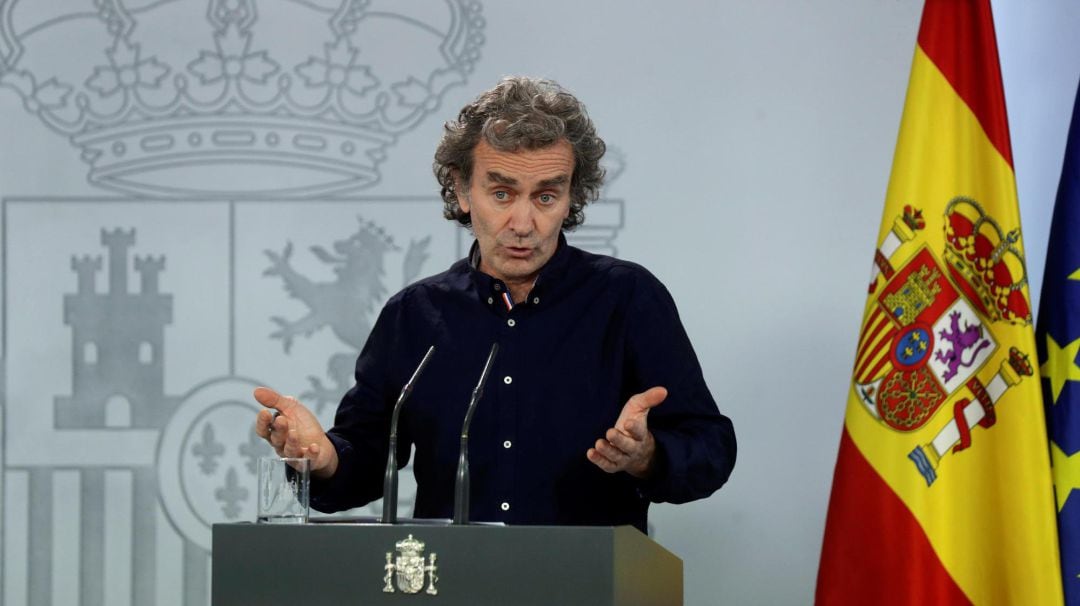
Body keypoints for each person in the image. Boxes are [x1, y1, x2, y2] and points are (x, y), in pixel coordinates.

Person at [253, 76, 736, 532]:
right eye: (501, 193)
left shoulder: (627, 299)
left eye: (546, 196)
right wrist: (322, 458)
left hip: (588, 584)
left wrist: (647, 454)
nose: (522, 222)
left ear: (571, 198)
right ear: (463, 189)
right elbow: (365, 458)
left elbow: (710, 449)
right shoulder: (415, 314)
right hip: (452, 586)